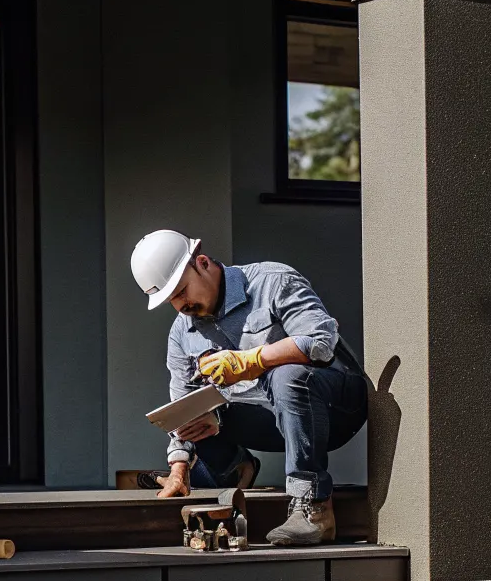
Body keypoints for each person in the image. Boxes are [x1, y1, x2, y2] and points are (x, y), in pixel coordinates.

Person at [130, 229, 368, 545]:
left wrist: (252, 360)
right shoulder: (182, 334)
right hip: (274, 419)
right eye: (171, 298)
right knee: (200, 415)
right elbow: (181, 409)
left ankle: (313, 508)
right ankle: (235, 466)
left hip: (338, 405)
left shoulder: (272, 281)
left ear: (201, 262)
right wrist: (178, 468)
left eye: (182, 289)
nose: (181, 303)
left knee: (286, 376)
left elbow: (322, 342)